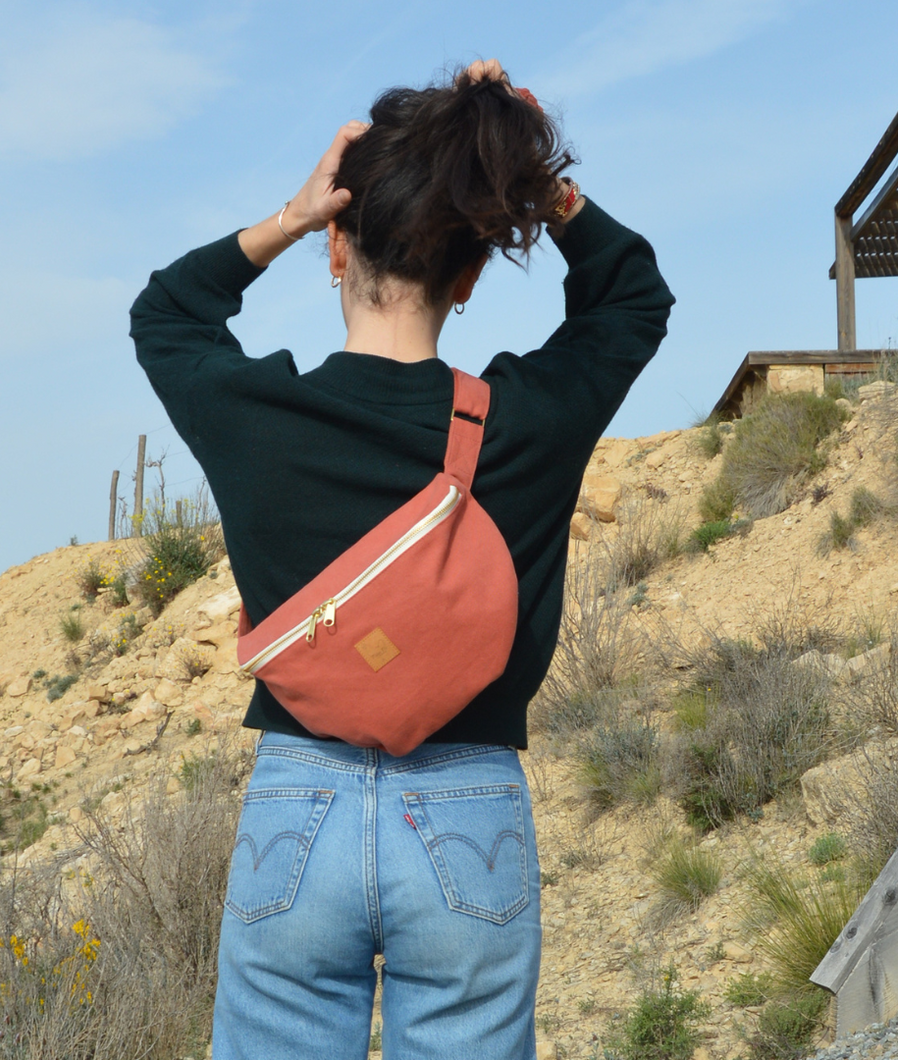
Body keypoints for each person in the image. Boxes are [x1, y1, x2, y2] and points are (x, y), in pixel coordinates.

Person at [131, 59, 674, 1060]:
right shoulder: (525, 425)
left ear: (336, 250)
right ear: (468, 278)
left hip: (298, 797)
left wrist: (288, 216)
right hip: (471, 802)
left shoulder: (257, 416)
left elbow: (167, 313)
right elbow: (630, 299)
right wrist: (534, 180)